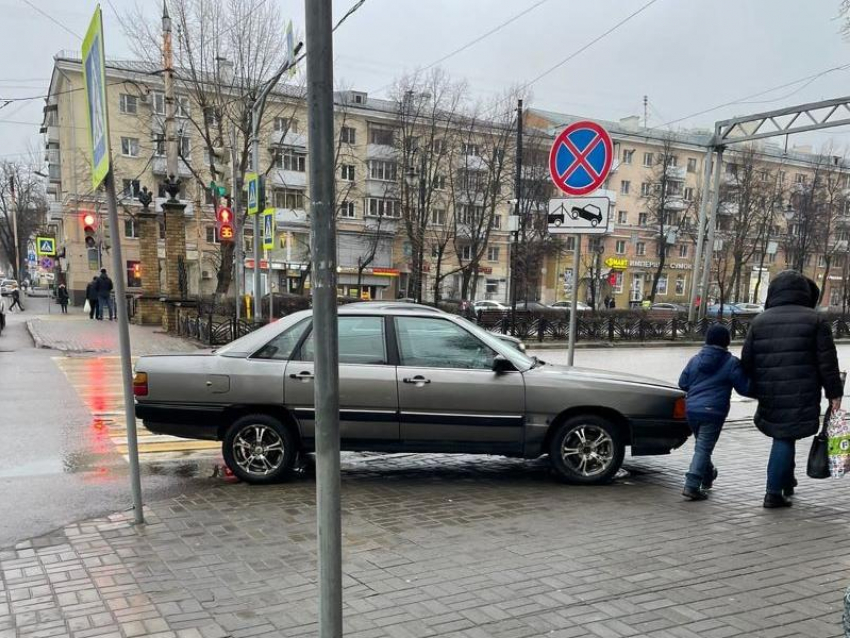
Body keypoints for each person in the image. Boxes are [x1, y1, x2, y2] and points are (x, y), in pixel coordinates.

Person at [742, 270, 843, 508]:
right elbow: (827, 361)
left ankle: (787, 482)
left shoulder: (760, 321)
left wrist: (756, 386)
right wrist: (834, 393)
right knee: (785, 437)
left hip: (770, 390)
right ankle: (773, 492)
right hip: (803, 388)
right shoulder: (816, 320)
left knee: (784, 434)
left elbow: (747, 360)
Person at [678, 325, 750, 501]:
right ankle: (692, 485)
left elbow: (683, 383)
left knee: (702, 446)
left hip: (692, 410)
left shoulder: (695, 359)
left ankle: (708, 475)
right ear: (727, 342)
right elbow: (744, 388)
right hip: (713, 412)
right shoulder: (731, 362)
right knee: (703, 448)